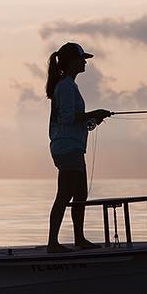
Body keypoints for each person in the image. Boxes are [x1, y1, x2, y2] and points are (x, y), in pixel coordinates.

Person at [45, 42, 112, 253]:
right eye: (82, 59)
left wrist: (94, 119)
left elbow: (76, 120)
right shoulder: (65, 86)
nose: (85, 62)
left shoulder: (70, 86)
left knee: (80, 194)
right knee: (64, 194)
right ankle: (53, 243)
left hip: (73, 146)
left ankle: (79, 238)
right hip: (66, 148)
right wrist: (94, 113)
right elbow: (68, 118)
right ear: (73, 62)